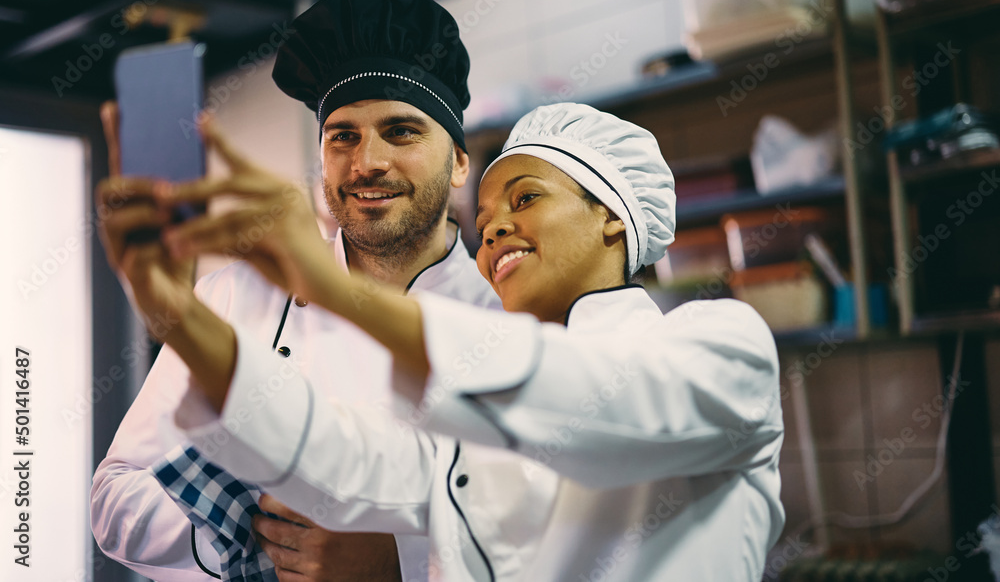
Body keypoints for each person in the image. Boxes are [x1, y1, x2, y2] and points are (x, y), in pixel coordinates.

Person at [140, 101, 787, 580]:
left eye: (525, 197)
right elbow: (345, 458)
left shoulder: (722, 344)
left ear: (613, 215)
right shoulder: (472, 425)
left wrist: (337, 290)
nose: (496, 228)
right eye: (483, 221)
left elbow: (596, 403)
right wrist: (180, 316)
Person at [90, 0, 498, 582]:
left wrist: (402, 564)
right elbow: (114, 501)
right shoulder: (233, 296)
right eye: (343, 136)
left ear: (459, 161)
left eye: (402, 131)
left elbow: (569, 536)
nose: (367, 163)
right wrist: (255, 530)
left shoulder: (506, 321)